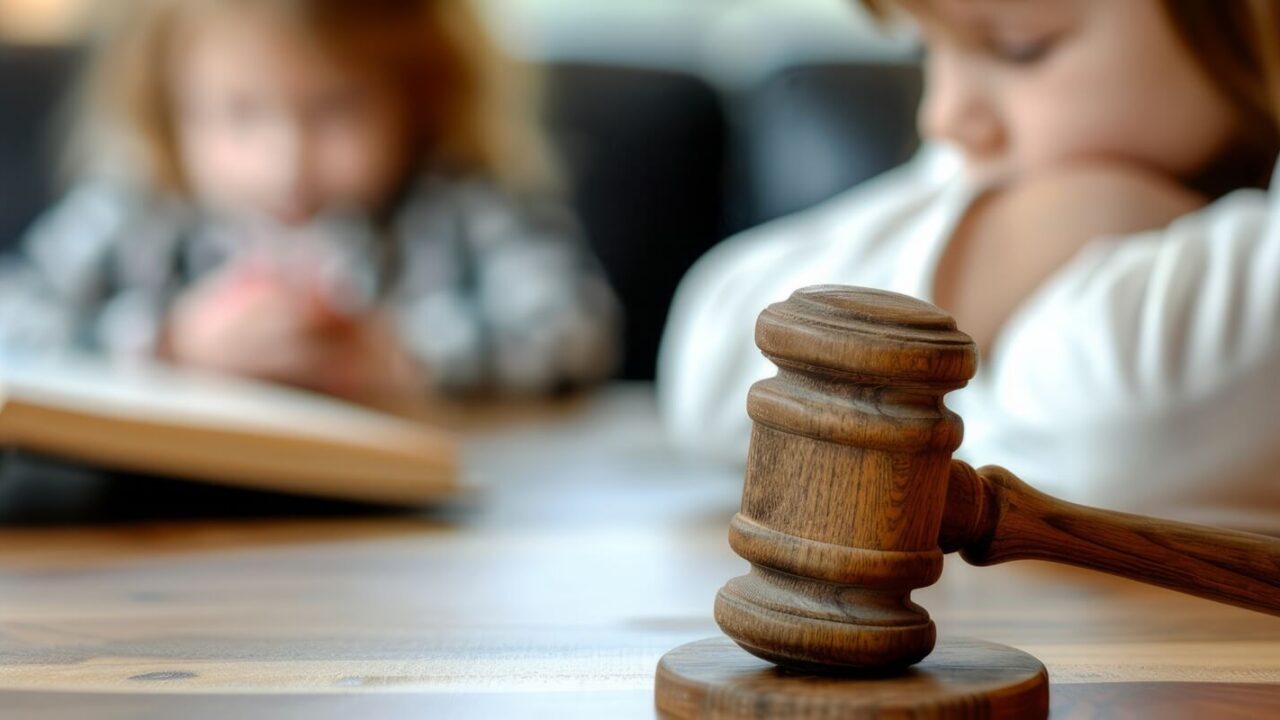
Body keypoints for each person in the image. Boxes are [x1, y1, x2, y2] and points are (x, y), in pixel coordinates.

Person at [659, 0, 1280, 527]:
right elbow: (711, 361)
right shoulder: (1005, 160)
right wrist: (1036, 229)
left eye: (1019, 48)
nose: (944, 116)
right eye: (923, 48)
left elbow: (1113, 433)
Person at [0, 0, 619, 402]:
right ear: (167, 108)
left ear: (420, 95)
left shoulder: (461, 203)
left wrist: (406, 359)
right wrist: (170, 345)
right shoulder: (139, 208)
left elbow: (577, 332)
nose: (286, 162)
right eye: (240, 113)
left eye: (334, 109)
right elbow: (15, 321)